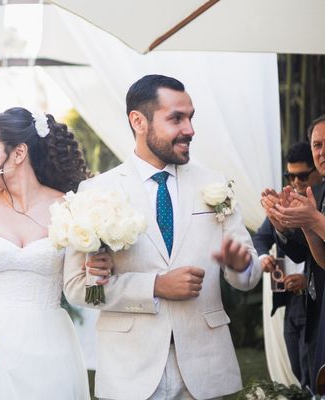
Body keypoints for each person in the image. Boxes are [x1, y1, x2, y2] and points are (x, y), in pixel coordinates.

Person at [64, 75, 262, 400]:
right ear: (138, 121)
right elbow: (77, 288)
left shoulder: (215, 185)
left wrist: (241, 267)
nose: (190, 130)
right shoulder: (96, 194)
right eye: (176, 119)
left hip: (206, 369)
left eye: (191, 117)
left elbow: (249, 278)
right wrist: (155, 285)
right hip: (130, 372)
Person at [0, 107, 112, 400]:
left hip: (49, 346)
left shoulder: (70, 207)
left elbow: (82, 282)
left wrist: (96, 270)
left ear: (18, 154)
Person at [254, 141, 319, 387]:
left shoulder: (319, 203)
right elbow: (261, 236)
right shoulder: (284, 202)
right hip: (289, 300)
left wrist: (307, 278)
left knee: (311, 369)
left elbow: (309, 251)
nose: (296, 182)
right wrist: (264, 257)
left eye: (302, 176)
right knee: (296, 366)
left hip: (313, 299)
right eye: (290, 176)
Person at [267, 115, 325, 389]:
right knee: (309, 382)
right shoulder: (319, 191)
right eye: (317, 145)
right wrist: (284, 224)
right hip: (315, 305)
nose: (322, 151)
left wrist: (310, 221)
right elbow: (316, 257)